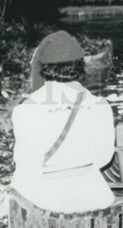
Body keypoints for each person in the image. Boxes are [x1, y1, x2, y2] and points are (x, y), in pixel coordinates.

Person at [10, 54, 116, 213]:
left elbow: (24, 162)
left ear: (42, 68)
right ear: (79, 67)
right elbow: (104, 158)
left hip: (43, 201)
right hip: (91, 197)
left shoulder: (25, 109)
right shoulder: (100, 105)